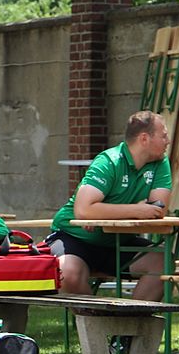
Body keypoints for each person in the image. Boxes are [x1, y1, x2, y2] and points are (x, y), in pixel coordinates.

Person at [47, 111, 171, 301]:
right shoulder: (108, 161)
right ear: (144, 138)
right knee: (68, 273)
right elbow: (83, 210)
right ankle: (95, 320)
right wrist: (137, 210)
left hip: (119, 240)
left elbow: (157, 209)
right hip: (75, 237)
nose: (168, 141)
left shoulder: (160, 163)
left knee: (163, 262)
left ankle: (130, 320)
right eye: (163, 136)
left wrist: (101, 213)